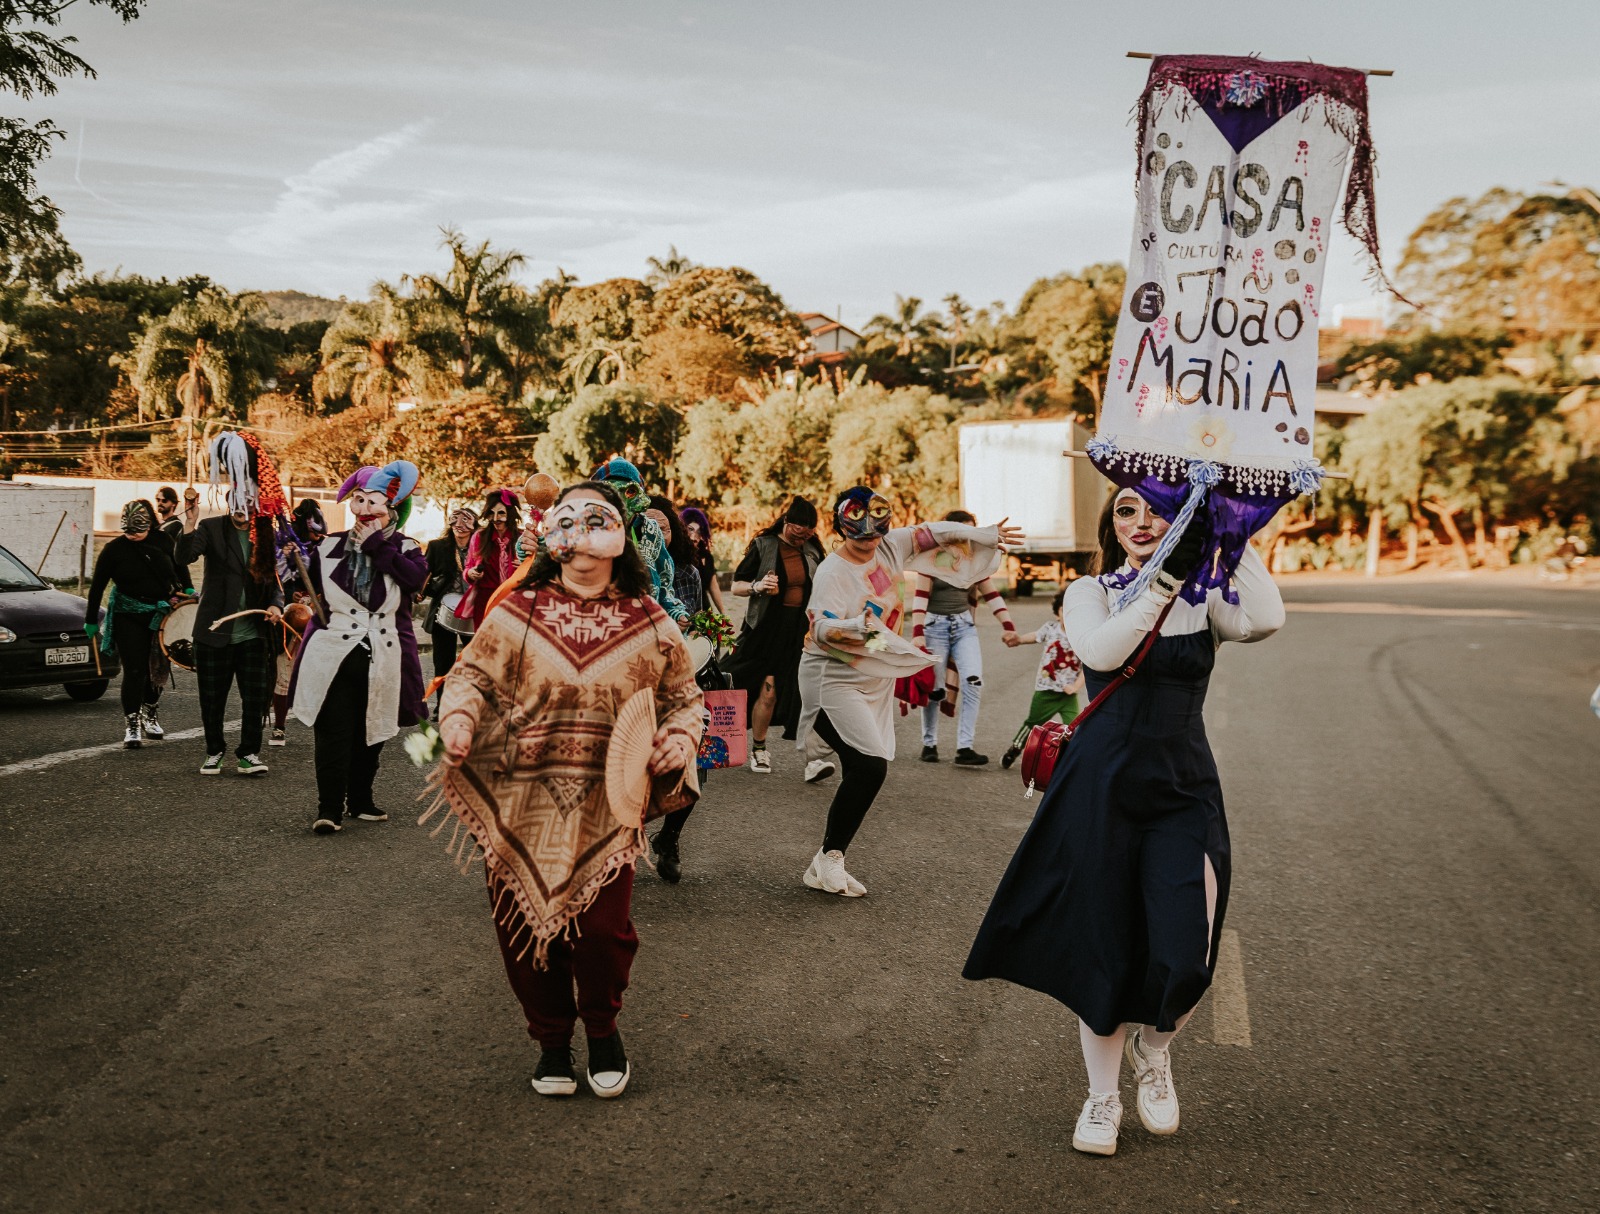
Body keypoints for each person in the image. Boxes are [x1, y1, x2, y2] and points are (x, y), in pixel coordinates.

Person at [963, 486, 1285, 1157]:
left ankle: (1155, 1048)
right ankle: (1101, 1098)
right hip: (1100, 787)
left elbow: (1265, 617)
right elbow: (1104, 653)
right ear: (1111, 525)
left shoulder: (1206, 603)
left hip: (1183, 786)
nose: (1141, 523)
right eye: (1126, 511)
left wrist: (1232, 533)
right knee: (1102, 947)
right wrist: (1162, 576)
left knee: (1189, 949)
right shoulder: (1092, 591)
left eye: (1159, 509)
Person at [434, 480, 704, 1099]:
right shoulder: (515, 609)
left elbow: (686, 701)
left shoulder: (650, 618)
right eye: (567, 516)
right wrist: (458, 717)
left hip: (608, 802)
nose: (580, 527)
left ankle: (603, 1029)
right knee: (525, 932)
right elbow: (470, 673)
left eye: (596, 516)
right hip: (517, 795)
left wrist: (681, 741)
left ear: (620, 537)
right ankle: (552, 1042)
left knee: (604, 934)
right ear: (550, 534)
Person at [798, 488, 1021, 897]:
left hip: (873, 673)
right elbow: (820, 629)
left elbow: (932, 532)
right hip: (833, 676)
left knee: (863, 767)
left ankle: (826, 859)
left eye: (874, 534)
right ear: (840, 528)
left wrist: (985, 534)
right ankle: (829, 859)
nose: (868, 542)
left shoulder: (889, 547)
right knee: (870, 767)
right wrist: (857, 628)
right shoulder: (832, 572)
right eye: (858, 535)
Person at [290, 462, 428, 835]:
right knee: (334, 731)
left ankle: (361, 799)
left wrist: (377, 547)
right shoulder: (329, 545)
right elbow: (312, 592)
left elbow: (414, 581)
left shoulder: (407, 549)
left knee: (374, 730)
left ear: (392, 512)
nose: (366, 511)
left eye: (376, 505)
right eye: (360, 502)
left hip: (383, 655)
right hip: (333, 655)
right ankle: (329, 809)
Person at [178, 435, 285, 777]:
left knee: (255, 697)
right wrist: (190, 522)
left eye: (249, 501)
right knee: (212, 699)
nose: (243, 508)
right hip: (214, 631)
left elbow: (273, 582)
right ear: (229, 500)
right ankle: (214, 751)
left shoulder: (264, 534)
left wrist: (276, 606)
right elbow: (183, 557)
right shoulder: (211, 528)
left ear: (256, 502)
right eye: (237, 501)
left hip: (253, 632)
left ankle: (249, 753)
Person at [725, 498, 827, 778]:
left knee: (806, 694)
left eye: (808, 531)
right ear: (786, 521)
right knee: (767, 690)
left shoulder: (813, 549)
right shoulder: (764, 546)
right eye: (798, 529)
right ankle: (759, 750)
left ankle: (813, 760)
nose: (802, 535)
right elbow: (736, 586)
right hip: (766, 630)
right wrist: (758, 586)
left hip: (801, 630)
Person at [908, 509, 1019, 766]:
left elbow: (991, 593)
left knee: (974, 681)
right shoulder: (932, 559)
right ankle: (929, 743)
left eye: (973, 531)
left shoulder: (973, 560)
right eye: (963, 531)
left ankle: (965, 747)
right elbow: (920, 599)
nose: (968, 537)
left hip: (963, 627)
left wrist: (1008, 625)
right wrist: (917, 634)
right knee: (935, 689)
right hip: (934, 627)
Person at [84, 500, 184, 747]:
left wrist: (188, 588)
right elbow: (97, 587)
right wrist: (90, 621)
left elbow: (180, 568)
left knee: (157, 669)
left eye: (137, 531)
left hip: (161, 613)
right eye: (128, 532)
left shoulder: (163, 542)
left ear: (149, 524)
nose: (133, 536)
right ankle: (132, 722)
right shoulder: (113, 550)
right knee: (135, 670)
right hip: (128, 614)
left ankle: (150, 710)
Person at [591, 459, 690, 624]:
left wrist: (675, 612)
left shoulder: (651, 531)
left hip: (646, 630)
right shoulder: (581, 527)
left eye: (630, 492)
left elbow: (664, 584)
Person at [999, 585, 1084, 769]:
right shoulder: (1051, 628)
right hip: (1045, 690)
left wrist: (1076, 687)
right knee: (1032, 724)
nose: (1067, 613)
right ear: (1057, 613)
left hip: (1068, 695)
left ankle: (1068, 763)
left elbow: (1087, 667)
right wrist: (1019, 639)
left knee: (1073, 729)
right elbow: (1036, 636)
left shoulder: (1081, 635)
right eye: (1063, 609)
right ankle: (1015, 747)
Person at [269, 498, 327, 746]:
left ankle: (324, 721)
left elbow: (325, 583)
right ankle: (279, 725)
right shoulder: (281, 545)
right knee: (283, 669)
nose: (317, 536)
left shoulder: (323, 549)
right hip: (289, 619)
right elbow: (276, 580)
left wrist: (317, 598)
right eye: (313, 532)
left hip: (318, 618)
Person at [424, 506, 478, 706]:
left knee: (475, 661)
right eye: (456, 522)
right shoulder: (437, 547)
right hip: (443, 611)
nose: (460, 527)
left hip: (472, 611)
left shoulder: (482, 547)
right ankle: (442, 705)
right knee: (442, 662)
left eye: (466, 522)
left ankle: (471, 704)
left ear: (473, 526)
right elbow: (424, 576)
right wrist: (422, 591)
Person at [456, 489, 521, 630]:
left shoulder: (522, 538)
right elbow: (468, 567)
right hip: (485, 600)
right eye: (491, 513)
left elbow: (538, 568)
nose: (496, 518)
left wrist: (526, 567)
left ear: (510, 514)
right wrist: (470, 573)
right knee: (485, 644)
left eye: (501, 513)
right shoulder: (479, 537)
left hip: (515, 600)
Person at [647, 495, 702, 615]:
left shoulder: (688, 573)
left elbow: (697, 616)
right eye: (649, 528)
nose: (657, 537)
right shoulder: (619, 574)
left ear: (673, 532)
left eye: (661, 529)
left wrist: (694, 631)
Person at [677, 506, 725, 614]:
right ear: (683, 529)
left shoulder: (706, 556)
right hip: (681, 613)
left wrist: (722, 612)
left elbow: (713, 585)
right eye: (690, 529)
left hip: (704, 611)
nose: (694, 536)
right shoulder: (675, 554)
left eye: (699, 532)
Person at [154, 486, 196, 595]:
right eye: (158, 500)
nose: (160, 503)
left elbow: (179, 558)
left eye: (164, 500)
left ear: (173, 503)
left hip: (172, 582)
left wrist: (187, 585)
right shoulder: (158, 525)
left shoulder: (175, 526)